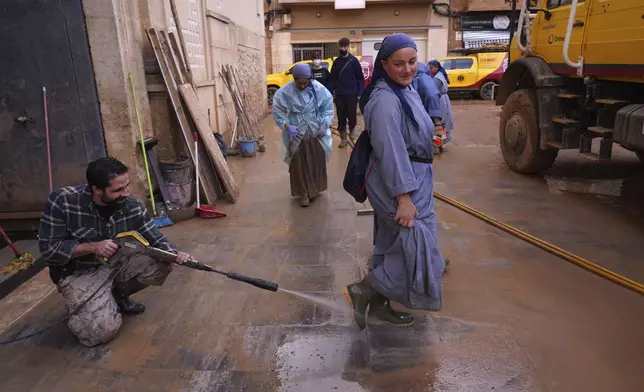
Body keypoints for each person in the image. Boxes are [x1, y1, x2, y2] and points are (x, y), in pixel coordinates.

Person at [344, 33, 446, 330]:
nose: (407, 69)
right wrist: (403, 199)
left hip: (416, 176)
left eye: (412, 62)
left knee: (393, 242)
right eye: (398, 64)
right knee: (416, 244)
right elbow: (390, 151)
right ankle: (367, 289)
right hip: (399, 181)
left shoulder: (406, 89)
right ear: (384, 65)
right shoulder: (385, 100)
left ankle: (378, 306)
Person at [38, 157, 192, 347]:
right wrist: (93, 247)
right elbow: (49, 250)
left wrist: (174, 253)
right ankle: (83, 308)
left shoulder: (133, 206)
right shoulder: (62, 201)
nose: (126, 193)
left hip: (115, 264)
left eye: (127, 186)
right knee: (101, 333)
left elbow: (157, 240)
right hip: (78, 271)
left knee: (161, 263)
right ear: (96, 189)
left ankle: (116, 295)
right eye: (117, 190)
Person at [272, 63, 334, 207]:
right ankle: (304, 194)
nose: (301, 86)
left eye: (304, 83)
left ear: (309, 79)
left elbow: (328, 107)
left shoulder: (319, 89)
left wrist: (325, 124)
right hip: (296, 131)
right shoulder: (285, 91)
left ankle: (315, 189)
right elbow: (277, 110)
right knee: (298, 163)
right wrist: (287, 125)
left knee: (316, 160)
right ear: (293, 79)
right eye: (298, 83)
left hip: (314, 129)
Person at [328, 37, 365, 148]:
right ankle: (343, 138)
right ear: (338, 47)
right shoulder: (336, 62)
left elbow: (360, 78)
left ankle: (352, 128)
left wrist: (360, 93)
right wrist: (330, 92)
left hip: (352, 94)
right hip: (339, 94)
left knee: (352, 115)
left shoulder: (354, 61)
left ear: (348, 47)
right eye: (341, 46)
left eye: (345, 46)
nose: (343, 48)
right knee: (341, 117)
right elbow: (332, 79)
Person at [428, 59, 455, 143]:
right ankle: (441, 141)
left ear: (436, 68)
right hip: (443, 98)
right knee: (443, 120)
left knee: (440, 120)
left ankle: (439, 142)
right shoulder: (440, 74)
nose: (430, 70)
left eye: (431, 68)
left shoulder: (437, 78)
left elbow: (432, 91)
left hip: (440, 100)